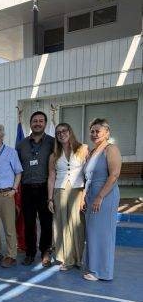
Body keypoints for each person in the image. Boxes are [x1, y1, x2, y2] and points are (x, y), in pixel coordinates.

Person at [83, 118, 121, 281]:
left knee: (103, 233)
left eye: (97, 131)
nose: (94, 134)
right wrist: (85, 197)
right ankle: (93, 267)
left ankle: (102, 272)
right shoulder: (92, 152)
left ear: (107, 133)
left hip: (105, 195)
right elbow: (88, 177)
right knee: (93, 233)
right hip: (92, 195)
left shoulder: (111, 149)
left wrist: (100, 197)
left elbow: (114, 175)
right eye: (92, 131)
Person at [47, 123, 88, 271]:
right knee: (61, 224)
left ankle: (78, 258)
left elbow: (88, 174)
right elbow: (51, 177)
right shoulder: (54, 155)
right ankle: (66, 259)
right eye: (58, 132)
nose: (61, 134)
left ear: (70, 132)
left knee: (77, 225)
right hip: (60, 191)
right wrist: (50, 199)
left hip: (78, 190)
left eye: (64, 131)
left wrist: (85, 194)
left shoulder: (83, 149)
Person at [17, 111, 54, 267]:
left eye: (41, 121)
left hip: (45, 188)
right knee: (29, 223)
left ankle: (45, 251)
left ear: (45, 123)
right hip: (27, 189)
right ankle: (30, 253)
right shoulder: (21, 144)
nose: (37, 123)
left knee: (46, 223)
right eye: (35, 121)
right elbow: (16, 168)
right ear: (30, 123)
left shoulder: (53, 142)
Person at [0, 124, 23, 267]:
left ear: (2, 136)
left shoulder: (11, 152)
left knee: (9, 227)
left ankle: (11, 255)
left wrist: (14, 189)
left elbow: (18, 172)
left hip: (6, 194)